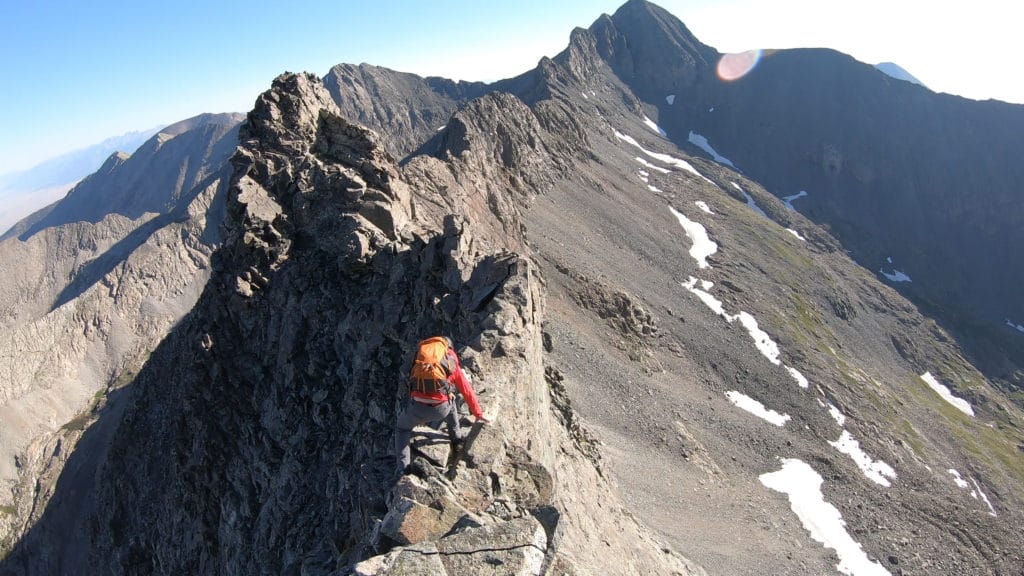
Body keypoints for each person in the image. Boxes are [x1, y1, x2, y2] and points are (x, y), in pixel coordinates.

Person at [393, 336, 488, 474]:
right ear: (448, 348)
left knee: (402, 429)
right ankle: (456, 439)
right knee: (451, 401)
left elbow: (407, 377)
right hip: (441, 409)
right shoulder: (450, 362)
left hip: (416, 408)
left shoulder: (418, 356)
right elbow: (467, 391)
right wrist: (478, 413)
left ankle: (403, 469)